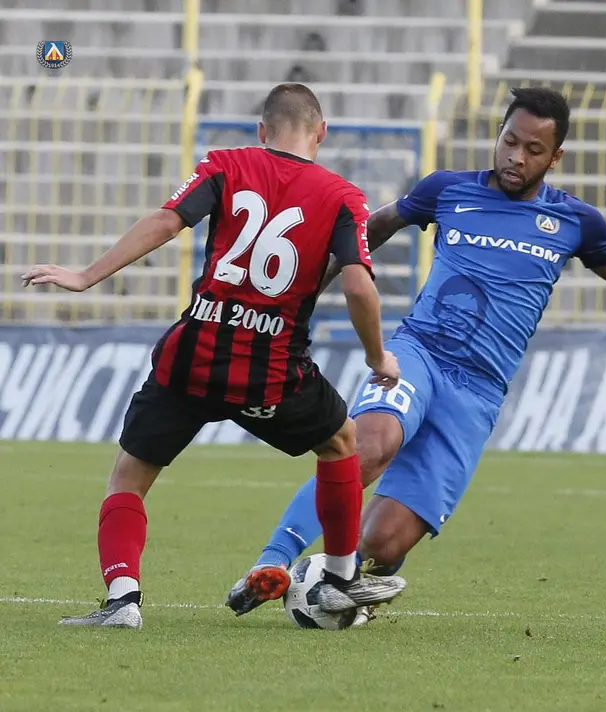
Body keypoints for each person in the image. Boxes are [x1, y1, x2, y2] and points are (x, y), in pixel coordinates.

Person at [226, 86, 606, 618]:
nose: (516, 157)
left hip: (478, 392)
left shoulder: (576, 222)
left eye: (533, 149)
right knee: (370, 444)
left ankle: (344, 582)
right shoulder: (446, 189)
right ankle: (273, 560)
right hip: (418, 353)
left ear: (555, 157)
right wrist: (299, 298)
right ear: (499, 134)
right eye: (510, 141)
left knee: (384, 543)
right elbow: (371, 231)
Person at [22, 83, 408, 629]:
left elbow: (167, 220)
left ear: (261, 130)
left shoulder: (225, 164)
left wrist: (87, 275)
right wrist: (377, 357)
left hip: (193, 357)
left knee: (128, 480)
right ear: (321, 133)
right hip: (272, 370)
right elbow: (358, 287)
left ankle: (123, 600)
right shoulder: (343, 196)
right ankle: (342, 576)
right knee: (340, 443)